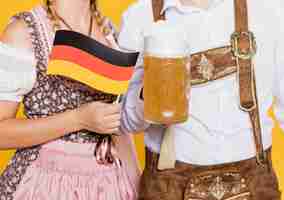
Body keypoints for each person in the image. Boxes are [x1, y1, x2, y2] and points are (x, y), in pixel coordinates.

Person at [118, 0, 284, 199]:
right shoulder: (139, 17)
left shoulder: (270, 10)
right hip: (167, 187)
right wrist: (151, 91)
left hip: (255, 186)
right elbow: (125, 122)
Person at [0, 0, 140, 199]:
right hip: (45, 184)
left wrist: (138, 187)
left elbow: (118, 126)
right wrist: (78, 119)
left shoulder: (110, 32)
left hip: (109, 185)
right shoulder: (24, 32)